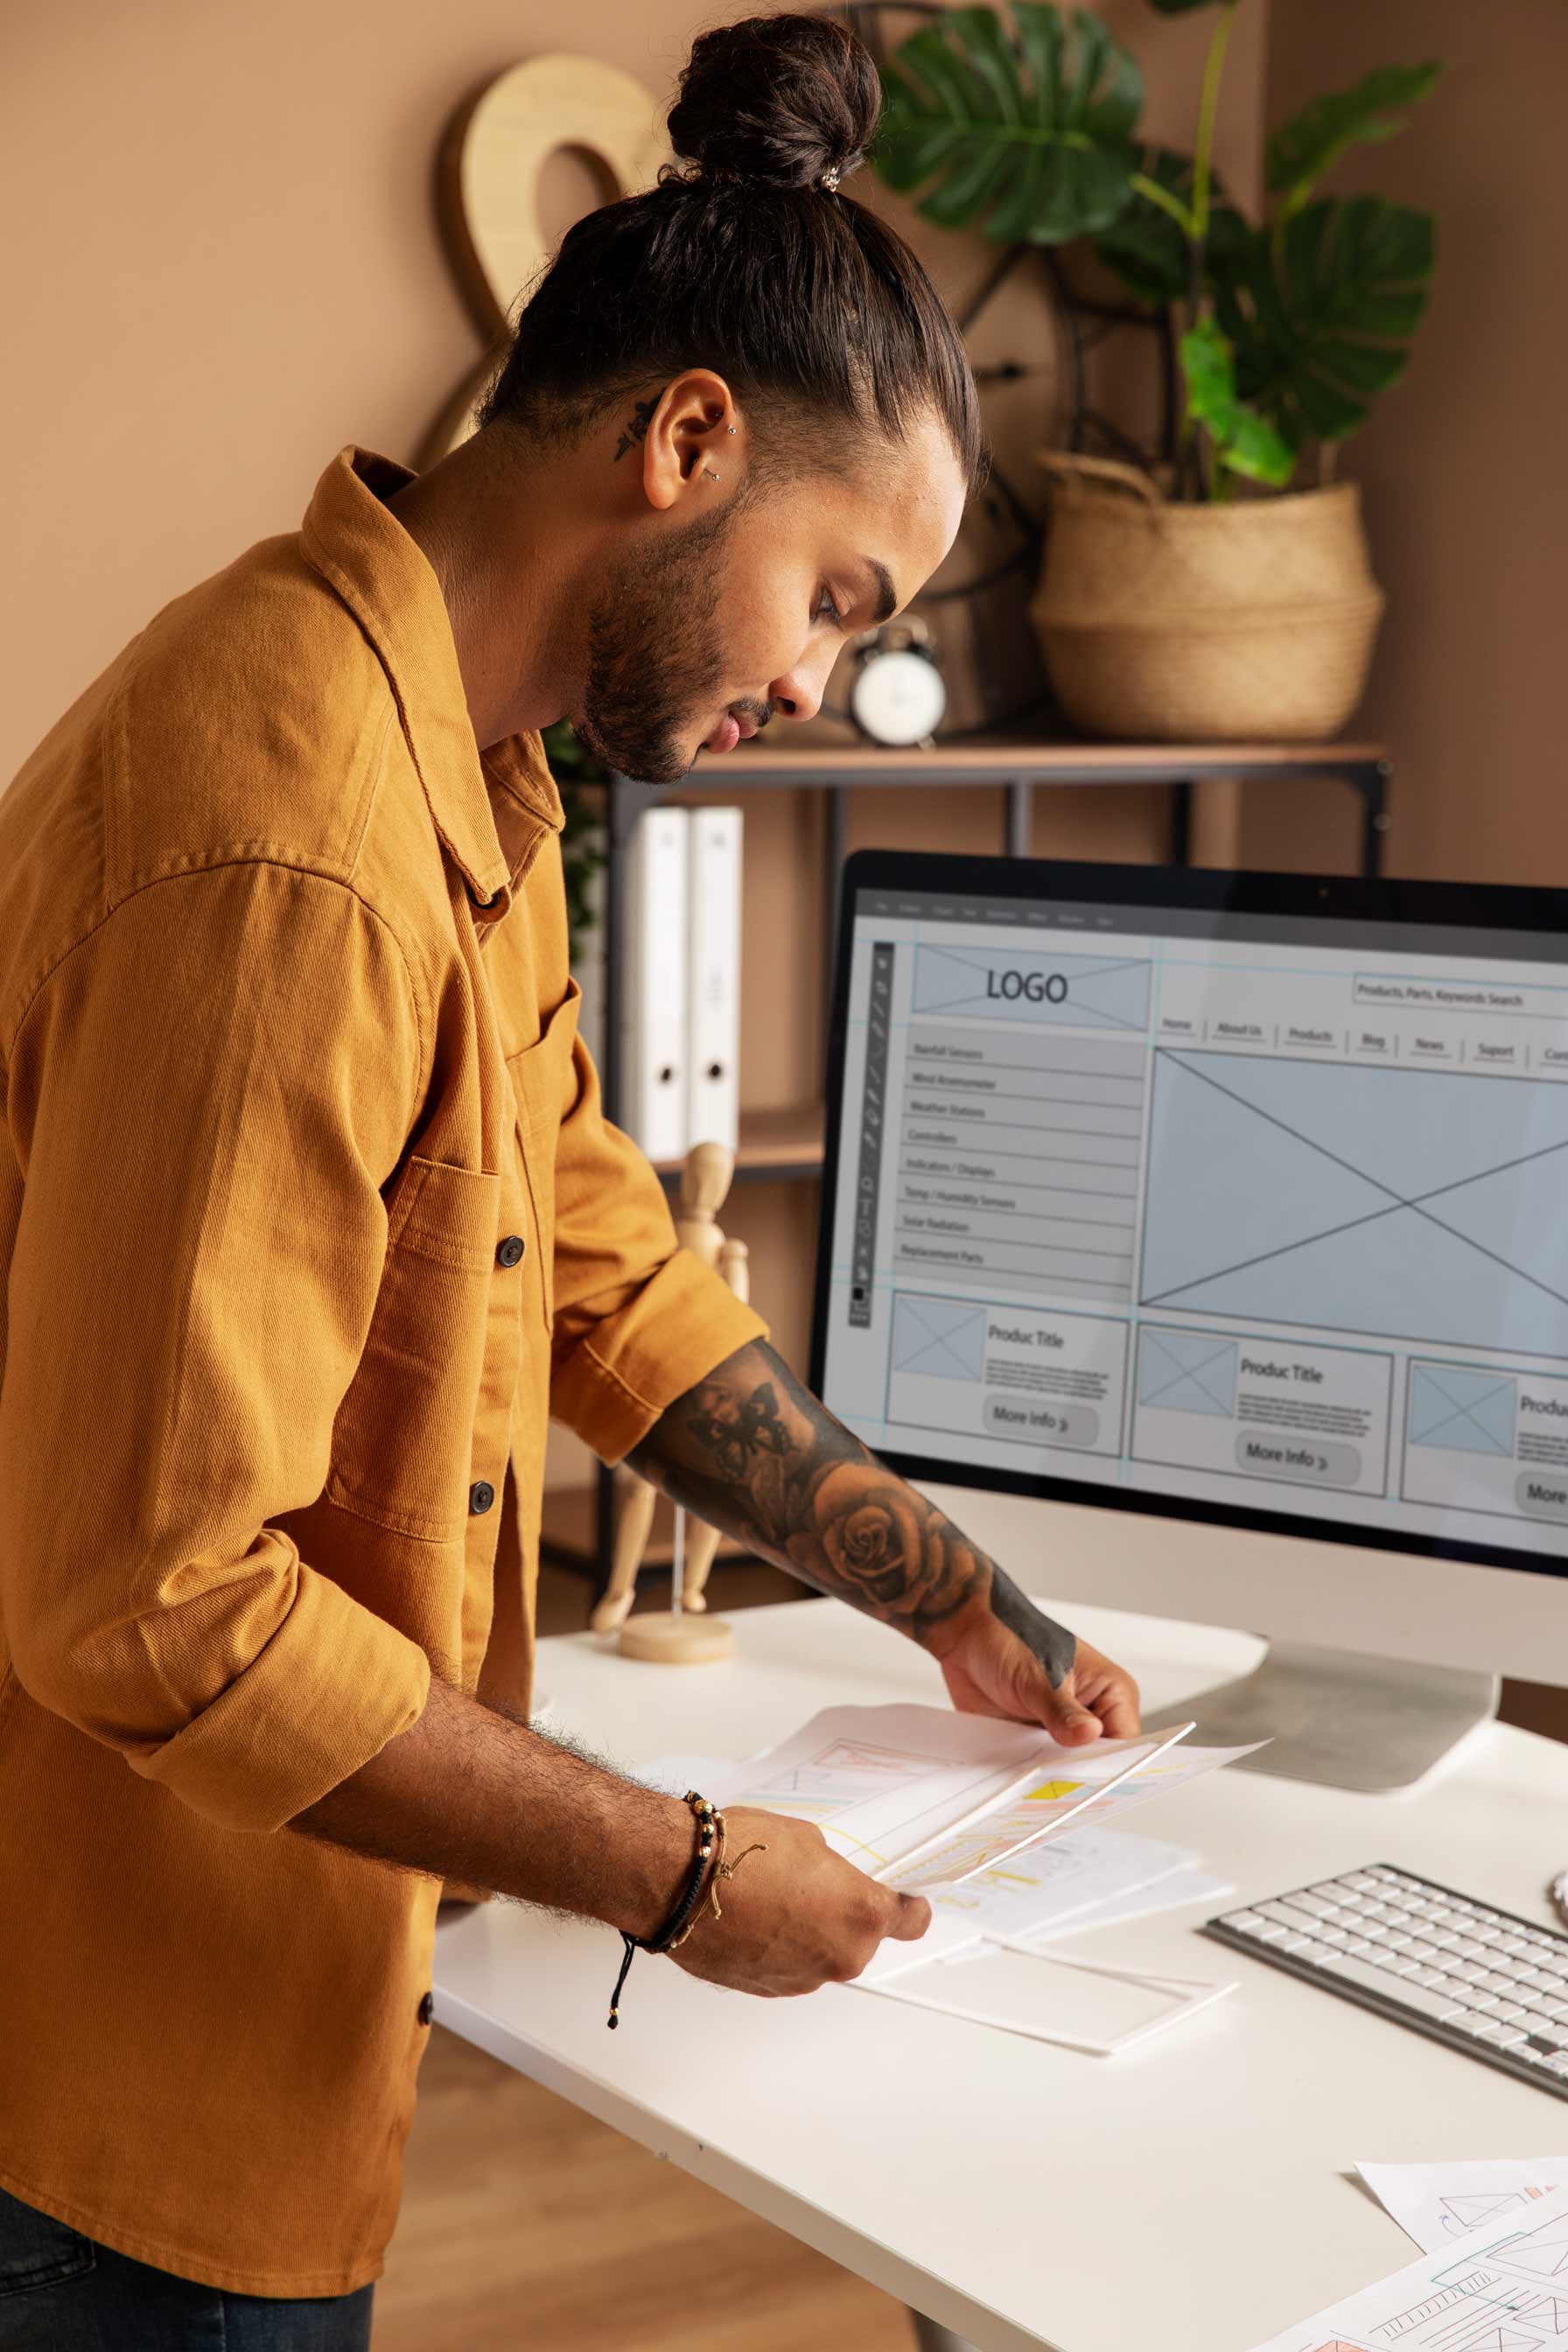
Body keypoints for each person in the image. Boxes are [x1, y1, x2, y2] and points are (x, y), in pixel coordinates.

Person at [0, 15, 1139, 2345]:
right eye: (841, 597)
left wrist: (943, 1590)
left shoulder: (463, 752)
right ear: (688, 442)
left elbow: (583, 1232)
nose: (821, 681)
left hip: (246, 2000)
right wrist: (681, 1873)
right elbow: (155, 1601)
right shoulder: (297, 839)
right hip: (89, 2078)